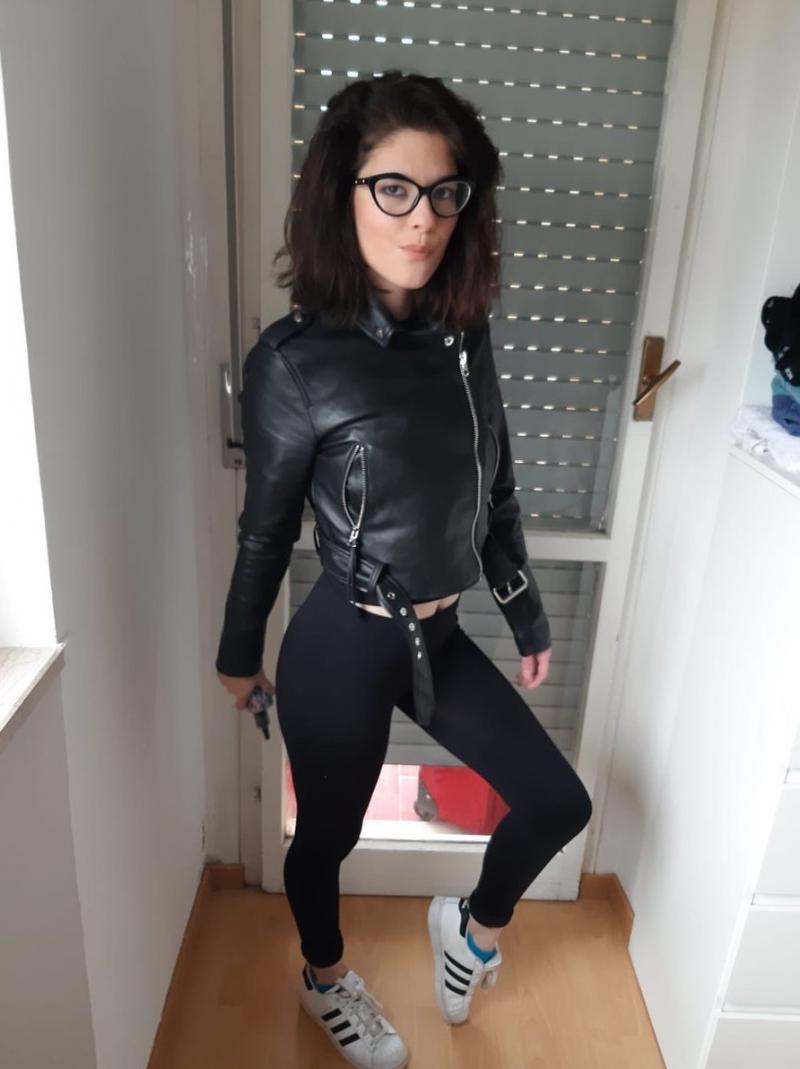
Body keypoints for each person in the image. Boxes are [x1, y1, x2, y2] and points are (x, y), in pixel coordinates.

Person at [215, 70, 593, 1069]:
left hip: (442, 634)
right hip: (343, 640)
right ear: (341, 194)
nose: (421, 218)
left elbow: (495, 485)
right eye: (393, 188)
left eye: (443, 192)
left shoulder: (464, 336)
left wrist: (526, 614)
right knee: (326, 840)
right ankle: (325, 976)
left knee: (558, 802)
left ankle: (468, 931)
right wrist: (237, 654)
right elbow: (264, 530)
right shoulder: (293, 360)